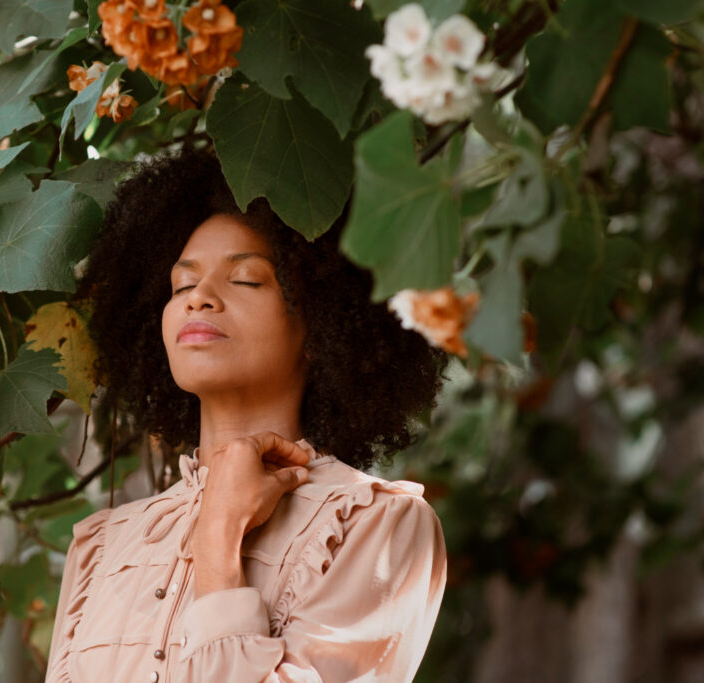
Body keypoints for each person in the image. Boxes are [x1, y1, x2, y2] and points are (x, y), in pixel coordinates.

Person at [45, 147, 448, 682]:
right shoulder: (99, 547)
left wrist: (219, 540)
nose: (199, 299)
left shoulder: (377, 525)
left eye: (246, 279)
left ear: (321, 324)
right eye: (182, 285)